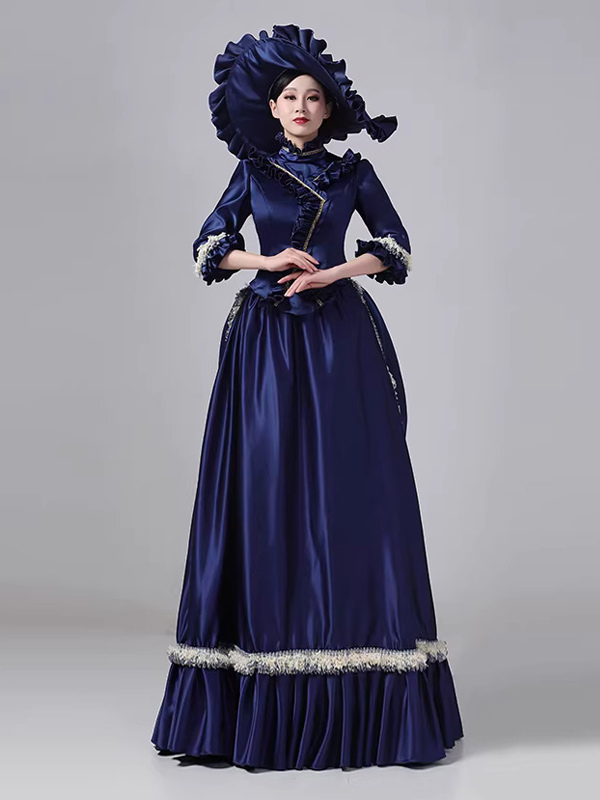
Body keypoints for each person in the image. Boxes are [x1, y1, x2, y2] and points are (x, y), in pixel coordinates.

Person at [151, 23, 464, 770]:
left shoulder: (355, 172)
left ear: (329, 109)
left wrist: (332, 273)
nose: (300, 106)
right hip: (264, 339)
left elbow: (393, 246)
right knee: (263, 485)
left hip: (336, 340)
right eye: (289, 96)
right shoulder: (252, 170)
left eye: (313, 97)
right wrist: (266, 261)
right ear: (273, 107)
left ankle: (367, 690)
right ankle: (250, 688)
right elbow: (208, 245)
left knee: (351, 489)